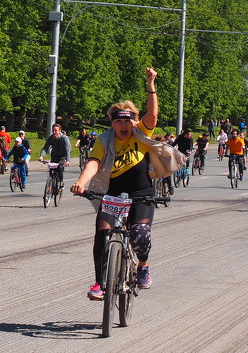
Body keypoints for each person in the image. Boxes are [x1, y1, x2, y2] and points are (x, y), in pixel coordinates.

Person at [72, 67, 181, 293]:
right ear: (112, 123)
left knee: (140, 235)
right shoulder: (104, 140)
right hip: (112, 195)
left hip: (141, 195)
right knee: (102, 233)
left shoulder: (142, 132)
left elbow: (152, 115)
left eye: (128, 122)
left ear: (134, 122)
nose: (123, 127)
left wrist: (151, 85)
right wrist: (81, 182)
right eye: (118, 122)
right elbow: (94, 162)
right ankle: (101, 283)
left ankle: (143, 266)